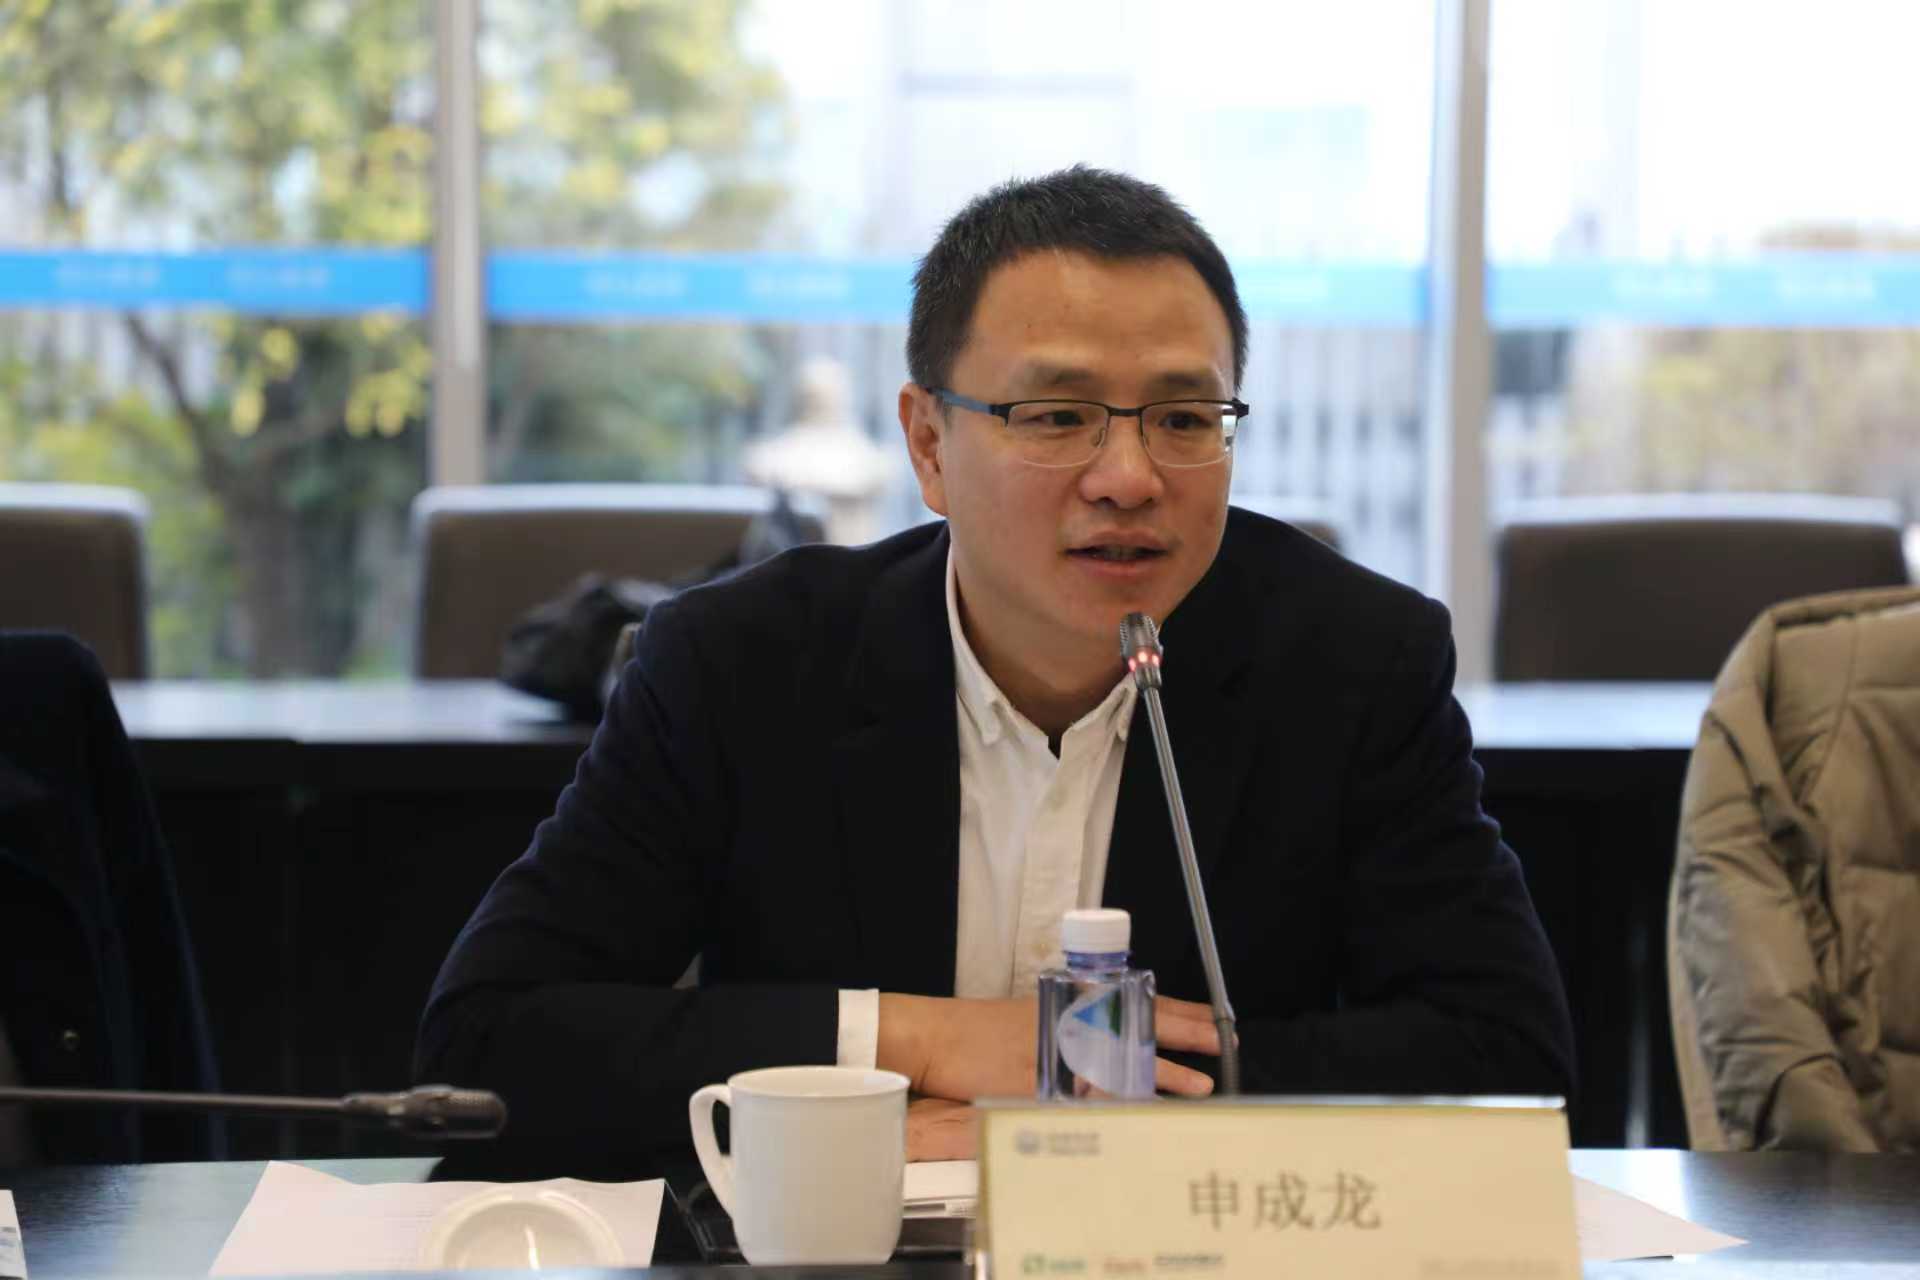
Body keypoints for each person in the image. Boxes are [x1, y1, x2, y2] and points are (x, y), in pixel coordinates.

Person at [416, 166, 1574, 1160]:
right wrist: (918, 1042)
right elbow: (485, 1044)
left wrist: (1093, 1097)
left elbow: (1512, 1056)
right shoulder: (742, 664)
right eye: (1058, 415)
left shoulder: (1353, 663)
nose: (1129, 476)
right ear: (928, 442)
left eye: (1184, 418)